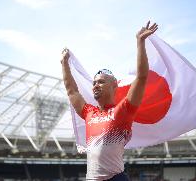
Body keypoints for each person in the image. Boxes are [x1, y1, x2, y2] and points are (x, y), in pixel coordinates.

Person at [61, 21, 158, 181]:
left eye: (100, 82)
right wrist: (64, 63)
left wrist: (140, 42)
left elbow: (141, 78)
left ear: (114, 85)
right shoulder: (89, 113)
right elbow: (72, 91)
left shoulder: (123, 111)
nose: (95, 85)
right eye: (94, 83)